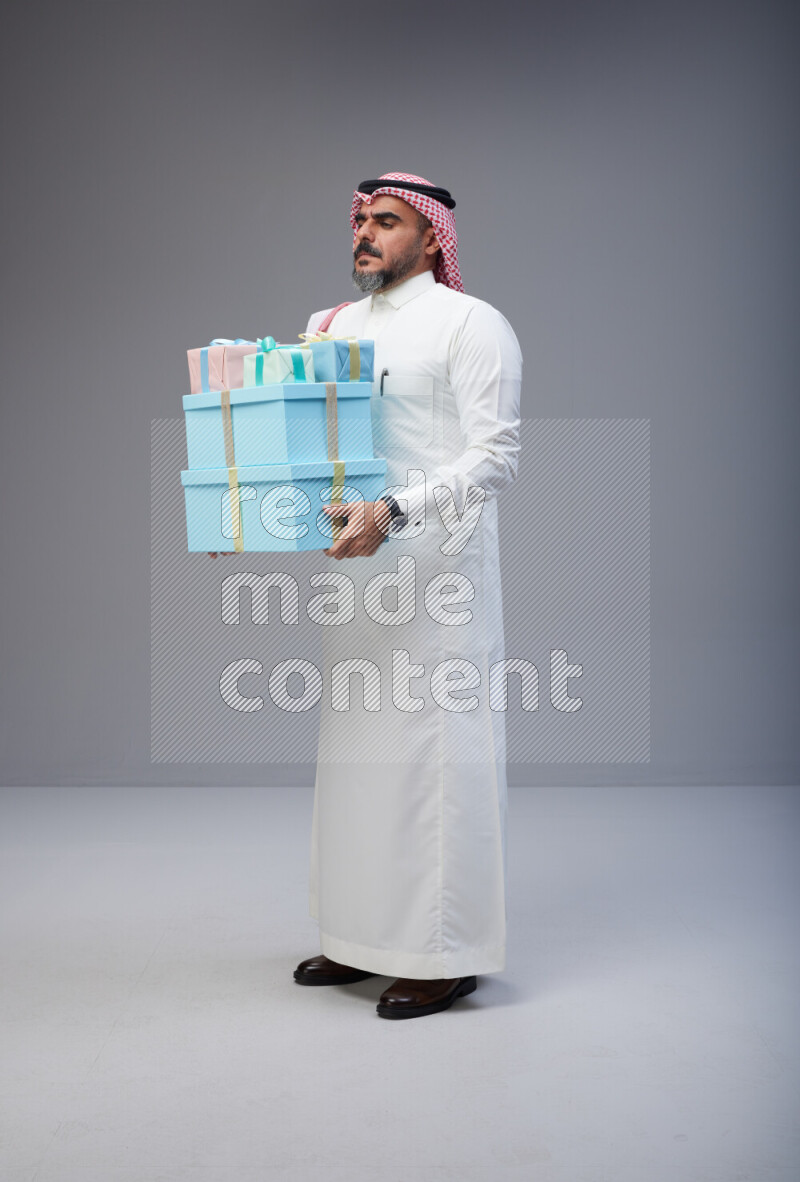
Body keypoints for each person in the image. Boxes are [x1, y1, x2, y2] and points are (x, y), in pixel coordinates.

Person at [292, 172, 523, 1020]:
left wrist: (395, 511)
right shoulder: (329, 326)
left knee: (434, 761)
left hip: (438, 575)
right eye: (359, 219)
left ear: (431, 238)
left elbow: (495, 456)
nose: (365, 232)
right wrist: (243, 511)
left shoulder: (472, 323)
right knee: (357, 755)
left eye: (386, 221)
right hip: (356, 573)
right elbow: (302, 441)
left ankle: (442, 954)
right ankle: (359, 938)